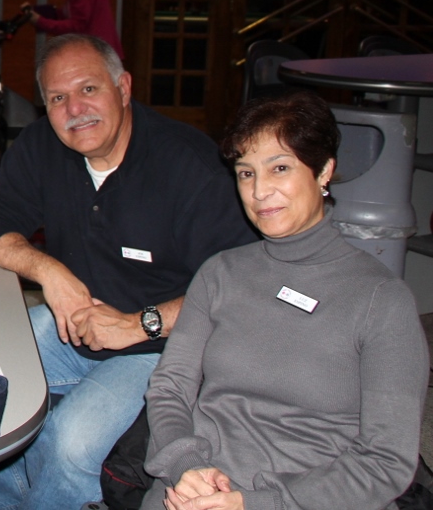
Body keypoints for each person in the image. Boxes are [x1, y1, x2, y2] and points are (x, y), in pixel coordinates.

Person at [0, 33, 256, 510]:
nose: (75, 109)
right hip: (75, 323)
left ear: (123, 87)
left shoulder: (190, 166)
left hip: (168, 348)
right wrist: (48, 271)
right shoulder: (44, 147)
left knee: (70, 441)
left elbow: (241, 285)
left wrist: (139, 325)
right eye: (58, 98)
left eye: (89, 89)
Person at [140, 90, 427, 510]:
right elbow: (170, 388)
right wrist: (186, 464)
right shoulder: (220, 273)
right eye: (246, 173)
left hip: (305, 497)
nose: (259, 192)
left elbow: (386, 462)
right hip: (194, 487)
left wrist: (254, 503)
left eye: (279, 168)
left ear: (324, 171)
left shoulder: (381, 300)